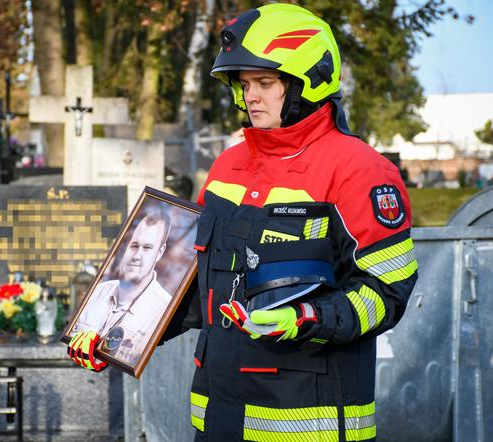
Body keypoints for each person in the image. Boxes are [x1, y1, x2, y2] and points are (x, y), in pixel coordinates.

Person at [69, 4, 418, 441]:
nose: (250, 95)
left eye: (266, 83)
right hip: (217, 420)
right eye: (245, 83)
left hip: (310, 427)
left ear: (309, 80)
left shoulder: (360, 171)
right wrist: (115, 337)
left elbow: (388, 291)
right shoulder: (226, 168)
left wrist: (306, 317)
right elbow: (191, 289)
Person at [70, 209, 172, 367]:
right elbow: (74, 336)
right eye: (134, 245)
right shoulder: (98, 292)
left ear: (160, 252)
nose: (137, 256)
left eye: (147, 248)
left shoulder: (165, 308)